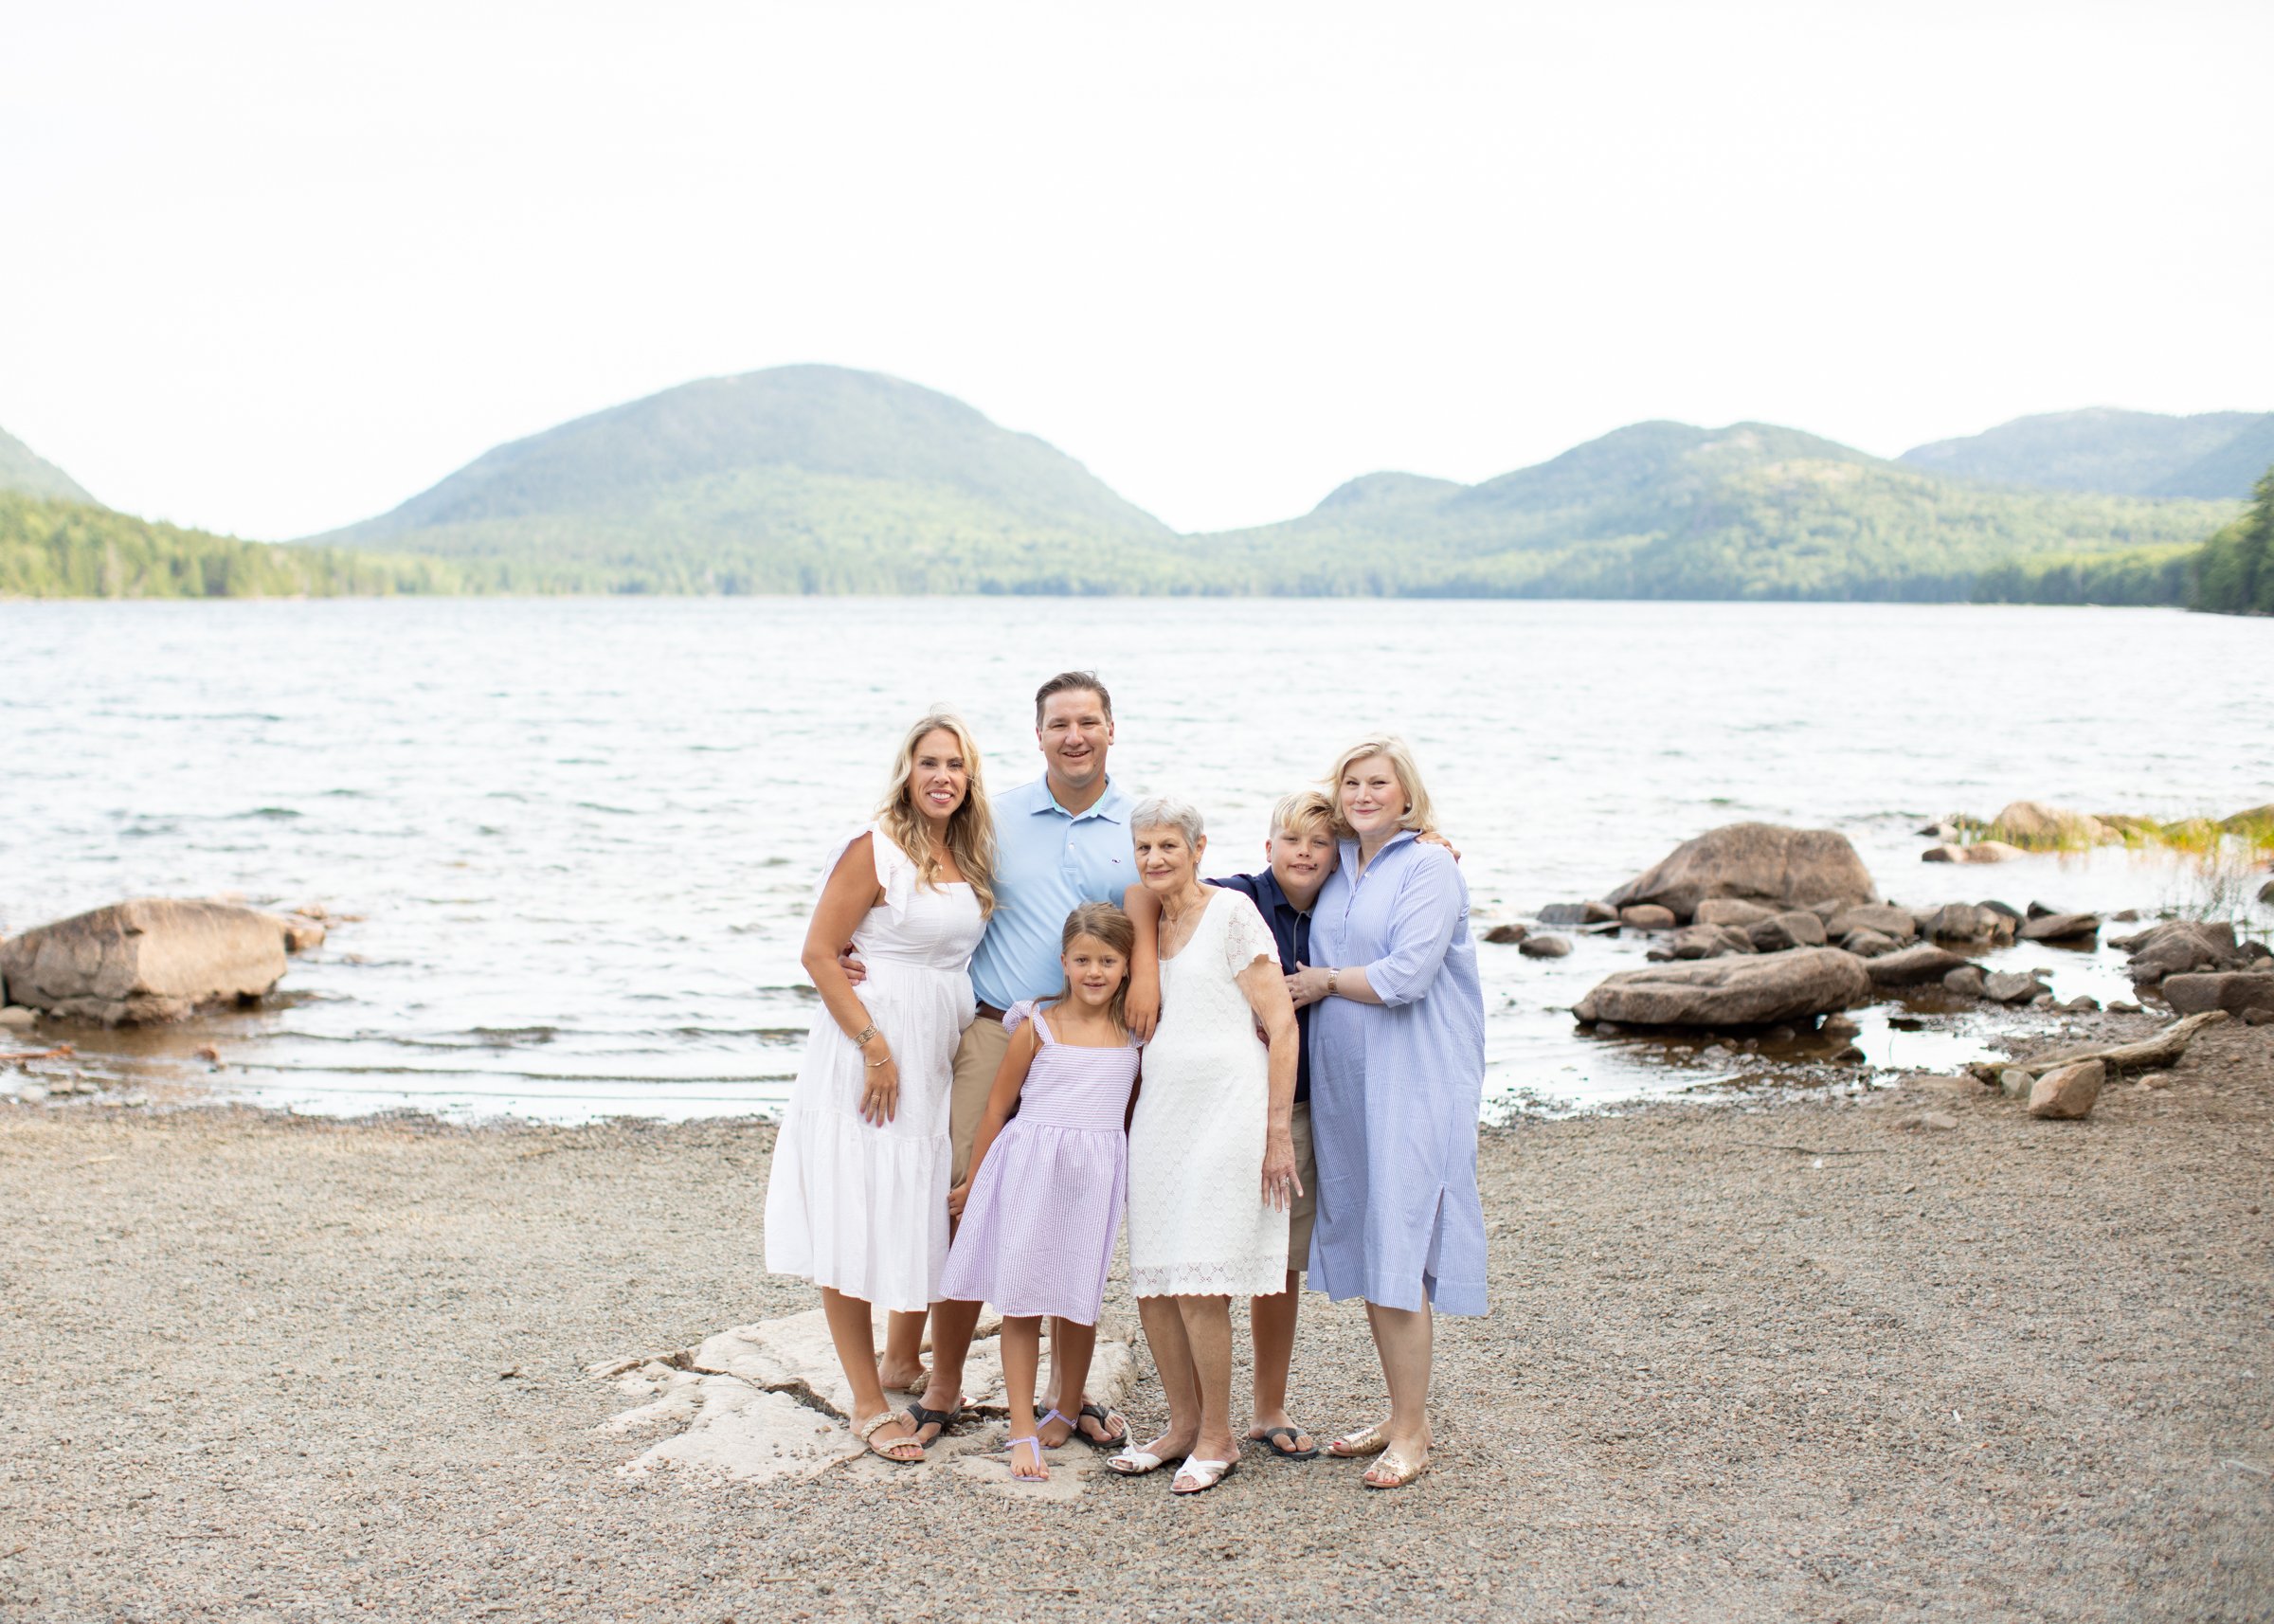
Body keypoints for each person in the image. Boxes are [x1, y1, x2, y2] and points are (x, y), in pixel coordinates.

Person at [888, 672, 1149, 1450]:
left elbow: (1183, 898)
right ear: (1038, 736)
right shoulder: (995, 817)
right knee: (966, 1199)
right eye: (1058, 723)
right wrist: (857, 948)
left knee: (1080, 1209)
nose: (1074, 735)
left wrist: (1415, 834)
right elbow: (915, 861)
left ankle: (1072, 1395)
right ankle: (943, 1385)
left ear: (1111, 729)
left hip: (1101, 1044)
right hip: (1003, 1031)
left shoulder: (1138, 824)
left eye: (1088, 721)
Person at [761, 713, 994, 1462]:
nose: (942, 777)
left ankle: (902, 1357)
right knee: (856, 1204)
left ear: (969, 777)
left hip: (937, 1046)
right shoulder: (875, 848)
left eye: (955, 765)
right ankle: (866, 1399)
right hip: (872, 1052)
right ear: (907, 770)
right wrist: (874, 1047)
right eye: (928, 763)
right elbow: (820, 954)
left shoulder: (965, 851)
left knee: (923, 1193)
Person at [1288, 736, 1486, 1490]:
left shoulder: (1429, 866)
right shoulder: (1342, 862)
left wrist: (1327, 982)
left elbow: (1407, 975)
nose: (1364, 794)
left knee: (1401, 1241)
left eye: (1380, 784)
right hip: (1349, 1087)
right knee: (1376, 1244)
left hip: (1414, 1077)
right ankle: (1406, 1413)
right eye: (1352, 783)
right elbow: (1283, 862)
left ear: (1407, 797)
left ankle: (1411, 1434)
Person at [1110, 797, 1301, 1495]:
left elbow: (1282, 1026)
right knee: (1155, 1282)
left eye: (1169, 846)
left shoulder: (1232, 914)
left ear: (1198, 848)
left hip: (1230, 1109)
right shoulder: (1148, 922)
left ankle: (1220, 1437)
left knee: (1198, 1282)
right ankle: (1182, 1427)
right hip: (1161, 1114)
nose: (1156, 859)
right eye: (1145, 849)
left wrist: (1278, 1131)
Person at [936, 903, 1142, 1482]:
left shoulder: (1134, 1034)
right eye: (1082, 960)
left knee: (1079, 1294)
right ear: (1063, 962)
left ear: (1127, 966)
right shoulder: (1038, 1025)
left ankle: (1068, 1405)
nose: (1094, 972)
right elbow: (998, 1109)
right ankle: (1022, 1427)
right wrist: (975, 1182)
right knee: (1024, 1298)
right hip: (1027, 1167)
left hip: (1092, 1175)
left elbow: (1126, 1115)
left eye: (1107, 960)